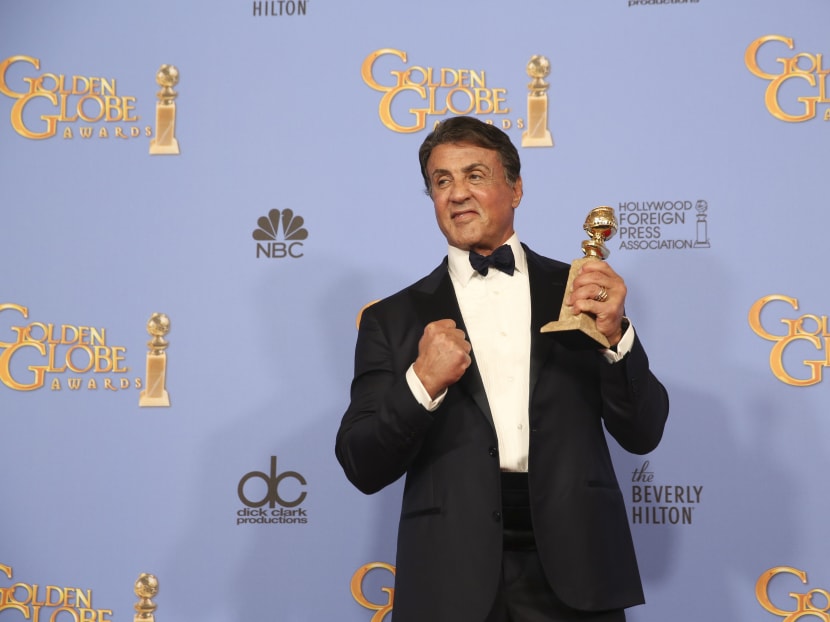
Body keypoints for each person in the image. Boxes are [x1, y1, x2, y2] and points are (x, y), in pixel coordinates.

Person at [335, 116, 669, 622]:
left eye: (475, 175)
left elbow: (643, 432)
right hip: (451, 575)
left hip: (578, 564)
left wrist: (616, 337)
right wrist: (421, 383)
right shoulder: (393, 319)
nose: (457, 194)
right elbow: (361, 463)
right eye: (442, 181)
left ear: (515, 188)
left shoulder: (580, 292)